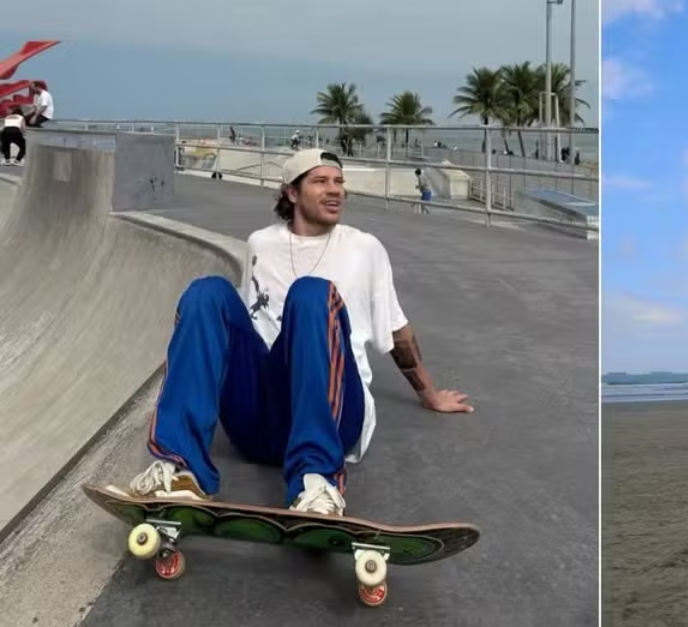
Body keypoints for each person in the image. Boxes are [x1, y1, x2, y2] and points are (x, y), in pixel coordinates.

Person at [106, 148, 474, 516]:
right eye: (321, 181)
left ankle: (316, 482)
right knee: (207, 293)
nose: (335, 190)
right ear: (292, 193)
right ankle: (178, 470)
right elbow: (250, 327)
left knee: (312, 293)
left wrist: (429, 393)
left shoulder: (364, 248)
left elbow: (397, 330)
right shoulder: (261, 244)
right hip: (259, 423)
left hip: (335, 418)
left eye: (339, 181)